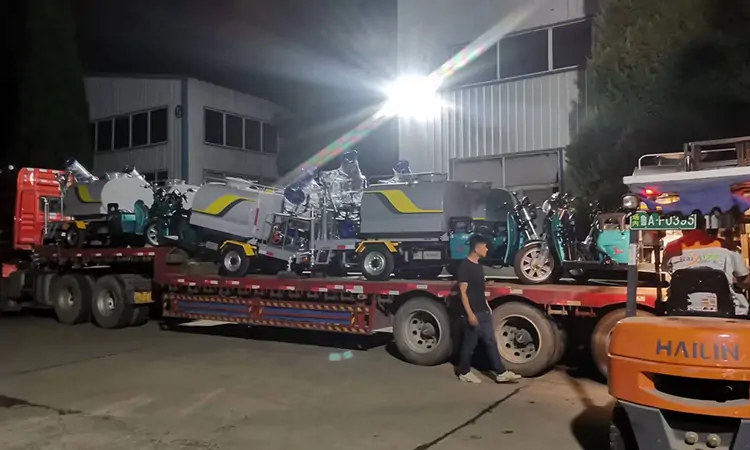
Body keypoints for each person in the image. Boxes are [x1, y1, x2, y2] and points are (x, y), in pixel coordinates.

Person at [456, 234, 522, 383]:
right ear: (476, 248)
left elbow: (479, 290)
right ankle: (464, 372)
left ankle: (501, 373)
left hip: (484, 312)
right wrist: (470, 314)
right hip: (473, 313)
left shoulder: (478, 266)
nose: (487, 249)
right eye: (485, 246)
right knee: (470, 345)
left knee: (491, 341)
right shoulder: (465, 266)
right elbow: (463, 292)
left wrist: (487, 306)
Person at [662, 215, 750, 315]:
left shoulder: (672, 248)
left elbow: (666, 269)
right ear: (704, 225)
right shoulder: (727, 247)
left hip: (681, 310)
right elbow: (744, 280)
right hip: (726, 311)